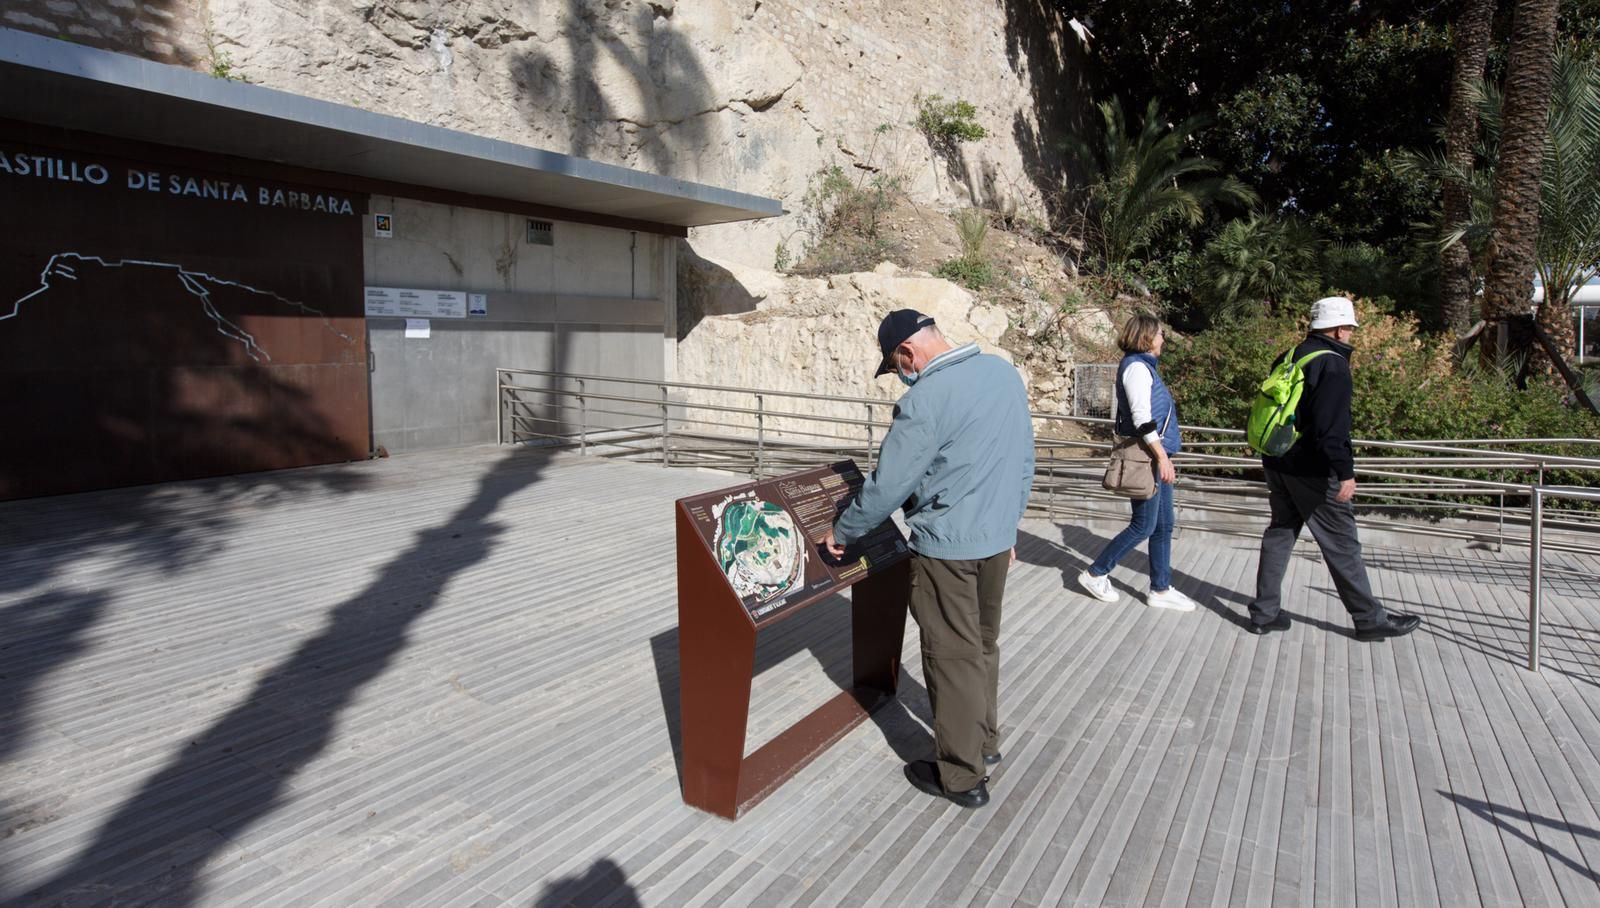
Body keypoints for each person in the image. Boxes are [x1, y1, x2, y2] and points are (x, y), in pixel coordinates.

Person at [825, 309, 1034, 809]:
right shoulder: (1003, 373)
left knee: (951, 657)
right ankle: (984, 743)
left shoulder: (924, 400)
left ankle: (961, 775)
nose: (900, 375)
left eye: (896, 367)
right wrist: (1008, 526)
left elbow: (889, 485)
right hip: (994, 540)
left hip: (947, 548)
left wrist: (844, 529)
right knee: (983, 646)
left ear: (906, 354)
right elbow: (1022, 458)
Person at [1246, 295, 1421, 640]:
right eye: (1351, 329)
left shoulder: (1290, 355)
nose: (1351, 335)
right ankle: (1370, 620)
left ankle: (1264, 614)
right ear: (1340, 329)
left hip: (1278, 461)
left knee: (1280, 532)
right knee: (1342, 545)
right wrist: (1345, 472)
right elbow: (1331, 429)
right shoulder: (1333, 365)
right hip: (1313, 471)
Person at [1076, 313, 1201, 612]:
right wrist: (1161, 457)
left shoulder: (1145, 367)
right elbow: (1143, 418)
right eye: (1159, 333)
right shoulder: (1136, 369)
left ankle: (1160, 588)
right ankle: (1096, 573)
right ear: (1146, 337)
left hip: (1156, 456)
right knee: (1144, 525)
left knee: (1163, 524)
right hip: (1147, 458)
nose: (1163, 338)